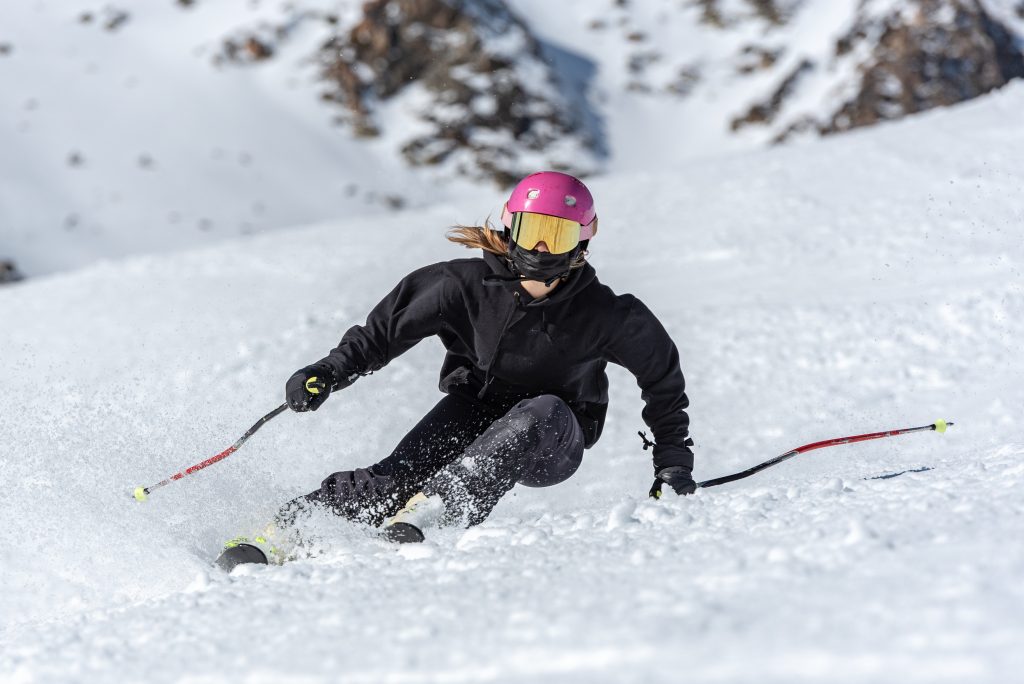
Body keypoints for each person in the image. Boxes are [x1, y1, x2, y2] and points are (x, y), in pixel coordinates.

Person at [283, 171, 696, 541]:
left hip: (553, 437)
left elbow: (663, 382)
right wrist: (327, 371)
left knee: (540, 411)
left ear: (583, 241)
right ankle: (293, 526)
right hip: (474, 410)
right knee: (395, 478)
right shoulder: (460, 286)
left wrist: (671, 464)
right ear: (509, 225)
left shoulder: (609, 314)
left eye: (558, 235)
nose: (540, 246)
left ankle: (441, 508)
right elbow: (381, 336)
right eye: (532, 229)